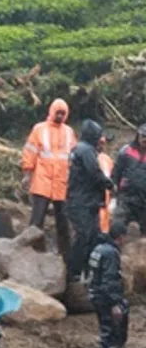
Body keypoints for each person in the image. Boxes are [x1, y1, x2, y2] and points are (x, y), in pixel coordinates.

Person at [21, 99, 76, 255]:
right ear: (51, 112)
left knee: (63, 223)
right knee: (36, 221)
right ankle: (36, 253)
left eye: (63, 113)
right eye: (57, 112)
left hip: (61, 183)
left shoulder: (68, 132)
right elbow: (30, 152)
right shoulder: (39, 129)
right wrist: (27, 174)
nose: (59, 115)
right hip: (42, 181)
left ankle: (65, 257)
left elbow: (73, 157)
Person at [66, 119, 115, 282]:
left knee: (92, 236)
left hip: (85, 201)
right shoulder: (86, 151)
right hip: (83, 202)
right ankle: (74, 271)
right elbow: (94, 173)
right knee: (84, 236)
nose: (102, 141)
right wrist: (109, 184)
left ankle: (85, 271)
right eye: (99, 137)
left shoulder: (79, 149)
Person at [89, 222, 130, 348]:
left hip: (97, 295)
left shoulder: (98, 248)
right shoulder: (111, 253)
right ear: (120, 238)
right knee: (109, 336)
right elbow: (109, 280)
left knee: (112, 331)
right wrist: (114, 304)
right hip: (105, 298)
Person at [112, 123, 146, 233]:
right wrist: (114, 187)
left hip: (143, 200)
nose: (145, 139)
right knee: (117, 227)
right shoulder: (126, 151)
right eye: (143, 136)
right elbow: (116, 172)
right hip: (126, 197)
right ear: (138, 136)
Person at [99, 133, 115, 233]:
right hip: (93, 201)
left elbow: (113, 178)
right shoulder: (86, 157)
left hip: (106, 200)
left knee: (105, 227)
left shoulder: (107, 159)